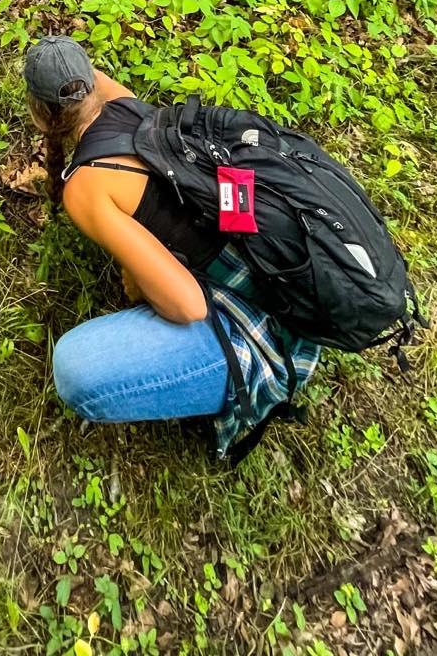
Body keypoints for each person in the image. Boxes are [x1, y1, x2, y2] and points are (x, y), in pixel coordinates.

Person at [24, 36, 320, 459]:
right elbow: (90, 85)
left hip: (269, 328)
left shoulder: (85, 189)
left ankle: (230, 383)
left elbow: (188, 306)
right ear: (93, 83)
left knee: (74, 369)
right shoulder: (127, 104)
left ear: (39, 113)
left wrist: (142, 284)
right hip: (289, 271)